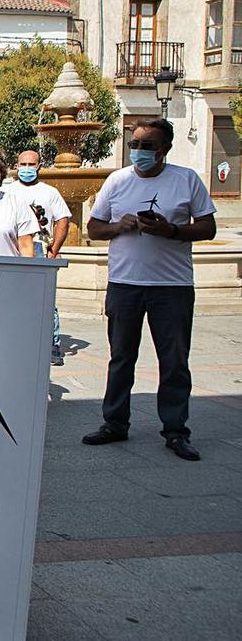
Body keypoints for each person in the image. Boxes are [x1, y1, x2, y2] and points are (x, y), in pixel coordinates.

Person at [81, 119, 217, 462]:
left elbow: (208, 227)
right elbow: (94, 228)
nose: (139, 151)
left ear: (165, 149)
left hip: (172, 286)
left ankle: (175, 430)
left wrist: (170, 230)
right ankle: (114, 423)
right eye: (135, 143)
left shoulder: (186, 180)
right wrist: (118, 225)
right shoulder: (117, 180)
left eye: (147, 145)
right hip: (125, 284)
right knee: (121, 358)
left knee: (173, 361)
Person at [6, 149, 72, 365]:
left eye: (30, 164)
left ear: (39, 166)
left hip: (39, 247)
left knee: (46, 299)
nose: (26, 169)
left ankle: (52, 344)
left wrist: (55, 247)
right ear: (16, 166)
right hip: (13, 248)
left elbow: (63, 220)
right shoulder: (7, 190)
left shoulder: (49, 192)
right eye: (22, 164)